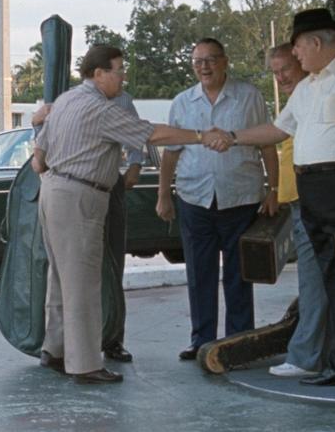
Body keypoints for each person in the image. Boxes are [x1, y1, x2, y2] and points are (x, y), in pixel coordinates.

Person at [209, 9, 335, 399]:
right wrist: (233, 135)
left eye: (297, 46)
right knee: (333, 281)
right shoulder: (307, 87)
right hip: (314, 190)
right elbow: (279, 129)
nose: (295, 54)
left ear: (315, 42)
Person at [32, 44, 227, 384]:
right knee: (83, 282)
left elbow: (39, 158)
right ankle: (85, 365)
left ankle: (55, 349)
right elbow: (152, 133)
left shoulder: (64, 101)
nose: (123, 77)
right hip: (81, 194)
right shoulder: (99, 109)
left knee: (61, 277)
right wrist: (201, 135)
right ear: (99, 74)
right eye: (119, 70)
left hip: (53, 190)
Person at [156, 38, 279, 361]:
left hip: (241, 198)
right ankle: (202, 340)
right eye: (198, 61)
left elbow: (268, 145)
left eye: (211, 60)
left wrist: (274, 189)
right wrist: (163, 194)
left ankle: (239, 341)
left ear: (225, 62)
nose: (204, 67)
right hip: (194, 199)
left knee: (240, 274)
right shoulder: (182, 102)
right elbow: (170, 153)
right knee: (200, 274)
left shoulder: (249, 97)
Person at [31, 92, 143, 364]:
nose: (120, 77)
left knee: (111, 263)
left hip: (104, 185)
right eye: (116, 72)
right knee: (68, 273)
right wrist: (36, 123)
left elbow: (137, 135)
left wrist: (135, 164)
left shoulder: (121, 101)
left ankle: (112, 338)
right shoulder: (68, 99)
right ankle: (69, 353)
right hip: (74, 189)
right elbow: (42, 150)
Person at [265, 43, 329, 378]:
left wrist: (227, 137)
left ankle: (306, 357)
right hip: (297, 201)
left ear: (302, 62)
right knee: (315, 279)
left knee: (312, 280)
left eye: (286, 69)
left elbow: (274, 134)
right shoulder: (300, 97)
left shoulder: (313, 94)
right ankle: (319, 351)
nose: (280, 78)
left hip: (313, 200)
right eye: (275, 73)